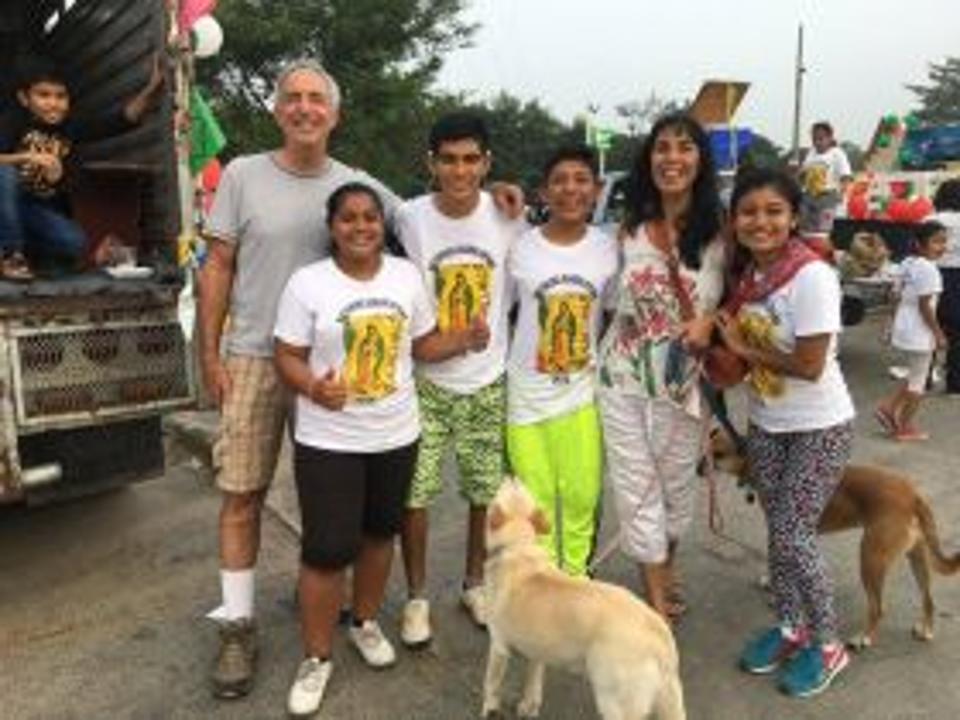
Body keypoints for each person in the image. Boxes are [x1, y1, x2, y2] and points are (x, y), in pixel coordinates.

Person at [199, 59, 403, 700]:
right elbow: (218, 265)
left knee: (328, 497)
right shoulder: (241, 175)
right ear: (277, 110)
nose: (306, 108)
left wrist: (500, 200)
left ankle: (322, 595)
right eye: (294, 98)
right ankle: (236, 624)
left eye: (318, 99)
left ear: (334, 114)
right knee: (241, 494)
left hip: (332, 369)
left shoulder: (358, 185)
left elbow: (426, 218)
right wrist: (210, 353)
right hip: (256, 356)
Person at [273, 183, 489, 718]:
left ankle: (364, 623)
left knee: (378, 534)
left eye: (370, 217)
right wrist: (313, 386)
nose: (361, 226)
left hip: (396, 432)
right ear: (332, 227)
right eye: (348, 219)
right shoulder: (308, 284)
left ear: (381, 225)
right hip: (330, 439)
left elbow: (421, 344)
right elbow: (287, 354)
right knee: (326, 549)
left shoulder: (404, 276)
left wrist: (464, 338)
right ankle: (317, 657)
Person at [716, 168, 855, 698]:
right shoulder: (750, 277)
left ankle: (827, 643)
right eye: (749, 212)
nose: (761, 222)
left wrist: (743, 350)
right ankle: (791, 627)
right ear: (735, 221)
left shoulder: (812, 276)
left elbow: (810, 364)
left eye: (774, 211)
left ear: (794, 216)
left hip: (819, 427)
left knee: (796, 534)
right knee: (779, 530)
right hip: (768, 424)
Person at [394, 112, 525, 648]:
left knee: (482, 494)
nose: (460, 170)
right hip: (425, 380)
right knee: (415, 495)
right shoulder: (407, 216)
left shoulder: (508, 217)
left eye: (471, 159)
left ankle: (475, 583)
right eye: (448, 159)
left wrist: (507, 192)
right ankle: (417, 597)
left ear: (487, 163)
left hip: (487, 379)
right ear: (431, 163)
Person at [596, 113, 725, 623]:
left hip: (685, 386)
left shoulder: (722, 232)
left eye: (684, 148)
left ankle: (665, 570)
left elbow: (748, 299)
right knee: (634, 488)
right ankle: (655, 603)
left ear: (700, 159)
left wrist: (712, 321)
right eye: (662, 148)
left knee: (675, 492)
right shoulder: (627, 230)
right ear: (649, 159)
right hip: (622, 379)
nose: (672, 158)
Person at [505, 144, 617, 576]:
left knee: (581, 497)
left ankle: (575, 580)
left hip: (580, 396)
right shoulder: (519, 248)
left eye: (581, 179)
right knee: (533, 501)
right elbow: (505, 312)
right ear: (544, 191)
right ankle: (542, 587)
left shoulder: (607, 250)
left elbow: (608, 317)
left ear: (596, 188)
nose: (570, 189)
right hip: (526, 395)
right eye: (559, 181)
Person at [0, 54, 164, 279]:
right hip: (5, 206)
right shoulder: (12, 122)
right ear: (24, 98)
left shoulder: (71, 127)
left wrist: (153, 88)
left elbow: (123, 119)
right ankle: (11, 256)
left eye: (60, 96)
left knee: (74, 242)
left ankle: (30, 260)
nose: (53, 103)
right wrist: (28, 157)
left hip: (31, 211)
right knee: (5, 174)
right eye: (43, 95)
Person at [875, 222, 948, 440]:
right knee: (918, 383)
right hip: (920, 330)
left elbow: (895, 296)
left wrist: (890, 323)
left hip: (905, 326)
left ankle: (888, 409)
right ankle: (904, 427)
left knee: (916, 374)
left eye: (944, 241)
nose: (941, 246)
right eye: (936, 241)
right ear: (920, 243)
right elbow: (925, 306)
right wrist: (938, 334)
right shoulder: (929, 269)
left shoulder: (907, 263)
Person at [929, 178, 960, 393]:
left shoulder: (928, 219)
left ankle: (923, 378)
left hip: (930, 273)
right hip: (957, 276)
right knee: (957, 331)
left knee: (928, 327)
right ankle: (955, 382)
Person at [798, 121, 852, 236]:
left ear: (830, 138)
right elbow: (803, 173)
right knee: (804, 228)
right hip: (809, 194)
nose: (817, 142)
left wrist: (841, 193)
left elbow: (845, 176)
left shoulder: (837, 153)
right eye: (814, 139)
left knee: (823, 229)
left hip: (827, 196)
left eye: (821, 139)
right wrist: (800, 175)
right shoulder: (811, 153)